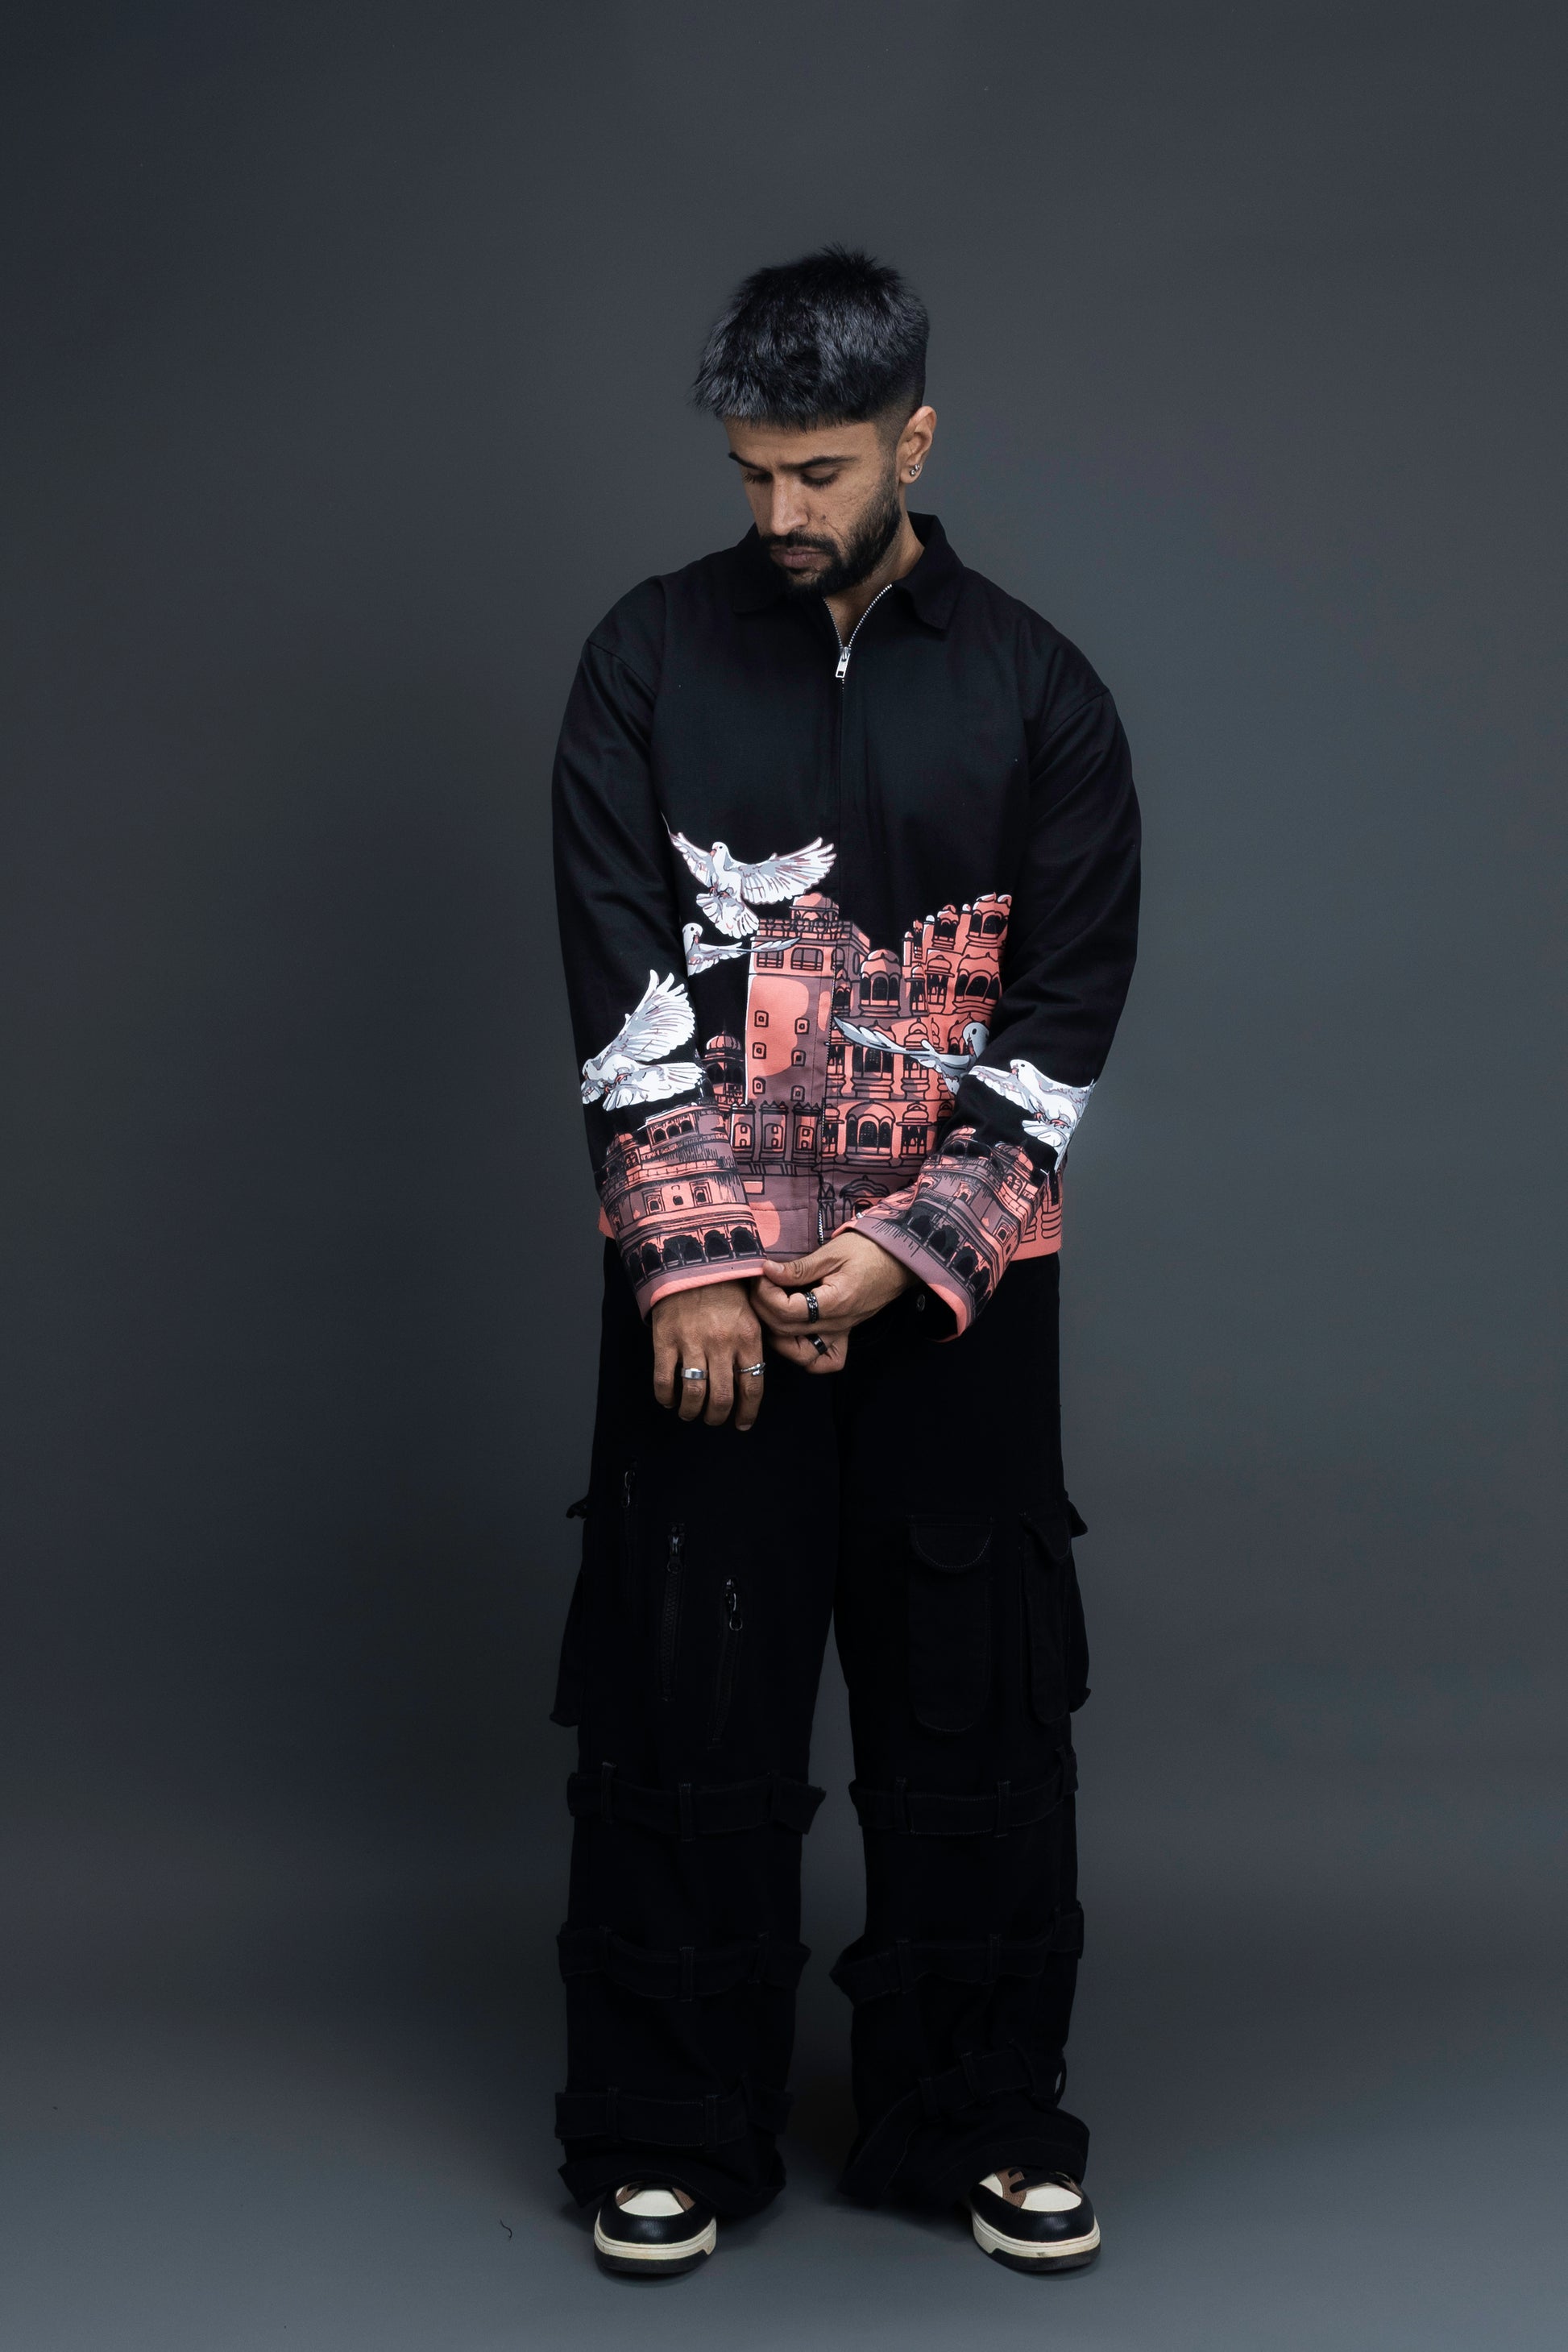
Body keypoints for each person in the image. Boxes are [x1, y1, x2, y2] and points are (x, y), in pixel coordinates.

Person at [549, 245, 1139, 2279]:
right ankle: (663, 2122)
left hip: (951, 1293)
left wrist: (904, 1250)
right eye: (748, 476)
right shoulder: (644, 655)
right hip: (703, 1293)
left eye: (815, 472)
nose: (778, 515)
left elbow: (1067, 1018)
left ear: (913, 439)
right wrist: (694, 1262)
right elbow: (618, 968)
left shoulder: (1040, 687)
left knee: (977, 1715)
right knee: (685, 1692)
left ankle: (978, 2115)